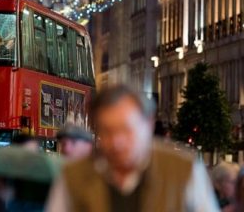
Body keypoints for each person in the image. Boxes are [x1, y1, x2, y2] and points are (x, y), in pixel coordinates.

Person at [46, 84, 220, 211]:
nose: (117, 142)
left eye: (126, 130)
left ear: (148, 124)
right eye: (106, 131)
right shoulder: (73, 176)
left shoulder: (184, 170)